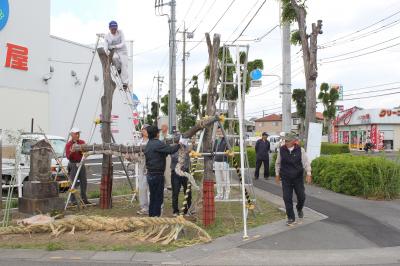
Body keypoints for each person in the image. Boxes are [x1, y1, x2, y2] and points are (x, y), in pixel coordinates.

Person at [144, 125, 184, 217]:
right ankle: (157, 218)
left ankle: (152, 217)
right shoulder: (158, 143)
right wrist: (179, 144)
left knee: (153, 197)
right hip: (157, 175)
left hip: (150, 174)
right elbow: (170, 150)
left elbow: (160, 154)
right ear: (157, 134)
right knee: (158, 198)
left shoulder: (148, 144)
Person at [275, 133, 312, 226]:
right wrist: (277, 174)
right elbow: (278, 163)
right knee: (287, 198)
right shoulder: (281, 150)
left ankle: (299, 208)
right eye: (285, 140)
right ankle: (291, 217)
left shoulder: (300, 150)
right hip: (286, 178)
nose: (285, 142)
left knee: (301, 196)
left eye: (287, 141)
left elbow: (306, 162)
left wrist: (308, 173)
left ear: (293, 141)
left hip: (298, 178)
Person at [65, 127, 90, 205]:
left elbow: (86, 152)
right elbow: (68, 157)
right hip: (73, 164)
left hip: (81, 162)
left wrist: (86, 153)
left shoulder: (82, 142)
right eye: (76, 133)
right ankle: (73, 201)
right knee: (73, 182)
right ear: (71, 134)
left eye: (78, 133)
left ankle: (84, 199)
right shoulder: (68, 144)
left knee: (84, 182)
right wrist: (72, 152)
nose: (77, 135)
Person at [104, 20, 129, 90]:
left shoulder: (120, 32)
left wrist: (115, 46)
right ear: (109, 28)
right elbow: (105, 46)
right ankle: (118, 69)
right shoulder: (107, 36)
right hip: (114, 51)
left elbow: (123, 43)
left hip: (122, 51)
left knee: (124, 64)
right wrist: (106, 52)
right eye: (112, 29)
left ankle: (125, 83)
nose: (114, 30)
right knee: (114, 58)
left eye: (115, 29)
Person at [170, 141, 191, 216]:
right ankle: (175, 210)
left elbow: (191, 154)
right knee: (175, 192)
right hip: (175, 172)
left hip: (185, 172)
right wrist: (183, 153)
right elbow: (174, 157)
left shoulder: (187, 147)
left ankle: (187, 210)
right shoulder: (173, 148)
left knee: (188, 191)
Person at [213, 127, 230, 200]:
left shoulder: (226, 140)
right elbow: (214, 150)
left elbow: (229, 149)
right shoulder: (216, 141)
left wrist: (224, 138)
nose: (219, 133)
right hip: (216, 161)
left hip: (224, 162)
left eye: (220, 131)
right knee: (218, 179)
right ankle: (219, 194)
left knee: (225, 179)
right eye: (218, 131)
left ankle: (226, 194)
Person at [136, 124, 150, 215]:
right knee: (142, 187)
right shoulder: (139, 142)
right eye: (143, 129)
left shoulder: (152, 141)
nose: (144, 131)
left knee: (152, 188)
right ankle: (144, 207)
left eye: (146, 129)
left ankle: (153, 206)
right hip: (141, 166)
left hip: (151, 166)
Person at [159, 123, 172, 191]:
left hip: (167, 154)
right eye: (162, 127)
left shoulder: (170, 136)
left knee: (167, 169)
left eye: (163, 127)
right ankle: (161, 184)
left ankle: (169, 184)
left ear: (166, 128)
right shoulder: (159, 136)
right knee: (160, 169)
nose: (162, 128)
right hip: (160, 155)